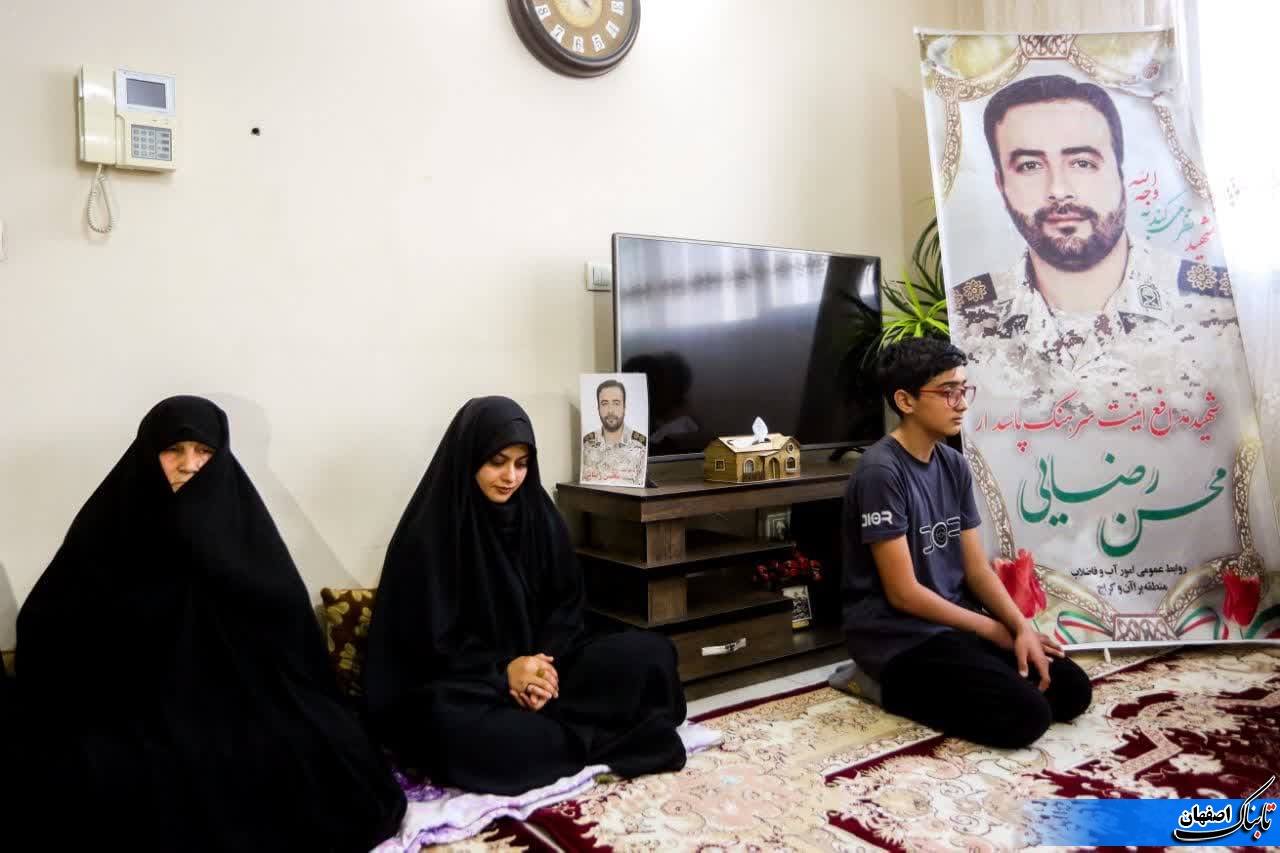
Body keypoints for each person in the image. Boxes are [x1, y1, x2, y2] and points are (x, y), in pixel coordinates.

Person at [15, 396, 406, 851]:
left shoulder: (245, 530)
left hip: (241, 698)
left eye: (203, 451)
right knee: (96, 772)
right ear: (148, 453)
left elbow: (289, 636)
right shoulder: (110, 525)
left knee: (326, 753)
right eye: (173, 450)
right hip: (129, 705)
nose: (189, 464)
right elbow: (48, 622)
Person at [365, 396, 686, 795]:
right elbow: (430, 644)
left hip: (549, 666)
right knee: (448, 728)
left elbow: (567, 606)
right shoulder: (429, 535)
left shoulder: (537, 515)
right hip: (469, 684)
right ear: (468, 459)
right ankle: (589, 737)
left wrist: (541, 669)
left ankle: (554, 734)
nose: (511, 477)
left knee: (651, 654)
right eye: (497, 462)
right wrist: (505, 673)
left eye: (521, 464)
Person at [841, 340, 1092, 748]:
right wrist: (994, 631)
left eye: (963, 390)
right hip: (897, 637)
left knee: (1072, 690)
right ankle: (873, 682)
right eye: (947, 392)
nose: (961, 404)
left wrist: (1019, 627)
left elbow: (975, 570)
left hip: (953, 622)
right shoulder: (880, 473)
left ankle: (969, 666)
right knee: (1026, 717)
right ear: (905, 401)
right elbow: (903, 594)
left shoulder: (953, 464)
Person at [950, 74, 1237, 405]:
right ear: (1001, 186)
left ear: (1121, 173)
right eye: (1030, 165)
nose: (1059, 190)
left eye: (1082, 163)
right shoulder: (965, 318)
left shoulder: (1219, 309)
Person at [582, 378, 647, 486]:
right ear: (598, 408)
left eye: (616, 403)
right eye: (604, 403)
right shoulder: (587, 444)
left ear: (624, 407)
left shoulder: (641, 445)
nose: (610, 410)